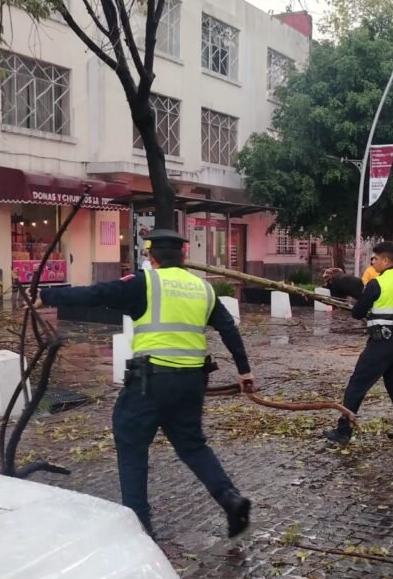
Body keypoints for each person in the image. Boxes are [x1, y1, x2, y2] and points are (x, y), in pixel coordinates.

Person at [38, 229, 254, 540]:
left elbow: (96, 294)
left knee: (131, 444)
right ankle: (230, 498)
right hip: (193, 381)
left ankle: (139, 526)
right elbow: (228, 330)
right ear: (183, 256)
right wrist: (245, 371)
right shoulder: (203, 288)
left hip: (150, 381)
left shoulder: (145, 282)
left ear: (151, 258)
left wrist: (47, 295)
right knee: (193, 445)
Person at [324, 241, 393, 446]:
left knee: (357, 383)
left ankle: (343, 431)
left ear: (385, 260)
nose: (372, 261)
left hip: (381, 340)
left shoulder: (377, 283)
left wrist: (367, 306)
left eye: (374, 258)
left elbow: (357, 313)